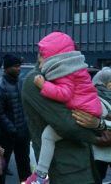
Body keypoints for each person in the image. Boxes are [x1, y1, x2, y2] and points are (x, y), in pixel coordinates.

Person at [25, 31, 103, 184]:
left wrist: (99, 126)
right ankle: (40, 175)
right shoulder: (36, 80)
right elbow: (67, 124)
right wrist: (99, 136)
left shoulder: (64, 73)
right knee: (48, 135)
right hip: (65, 170)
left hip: (81, 164)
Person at [0, 54, 31, 184]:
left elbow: (24, 106)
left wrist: (25, 128)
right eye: (16, 66)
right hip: (6, 136)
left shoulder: (20, 82)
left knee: (24, 166)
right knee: (1, 167)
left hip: (22, 133)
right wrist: (13, 130)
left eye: (19, 66)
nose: (19, 68)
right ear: (7, 68)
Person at [72, 67, 111, 181]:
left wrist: (99, 123)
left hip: (98, 149)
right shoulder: (93, 99)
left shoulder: (90, 98)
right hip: (98, 151)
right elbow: (86, 120)